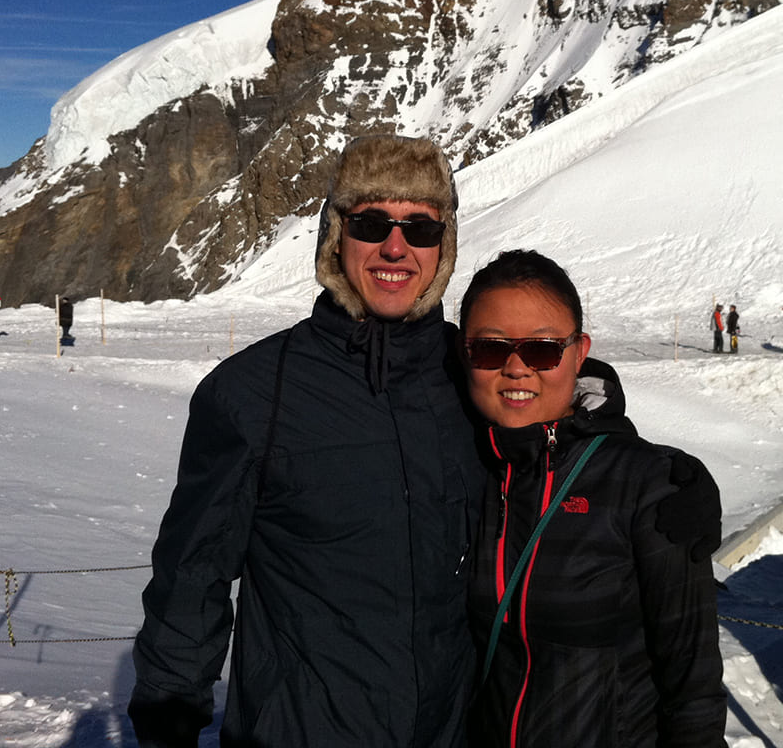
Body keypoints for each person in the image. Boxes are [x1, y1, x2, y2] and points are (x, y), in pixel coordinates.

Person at [129, 135, 484, 748]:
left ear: (444, 246)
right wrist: (169, 719)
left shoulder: (472, 377)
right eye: (371, 223)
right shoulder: (253, 394)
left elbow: (555, 433)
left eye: (421, 229)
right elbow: (192, 578)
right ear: (334, 236)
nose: (395, 247)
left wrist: (608, 430)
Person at [460, 250, 727, 748]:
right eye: (491, 349)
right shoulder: (467, 465)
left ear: (579, 352)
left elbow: (693, 690)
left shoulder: (646, 488)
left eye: (542, 350)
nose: (517, 369)